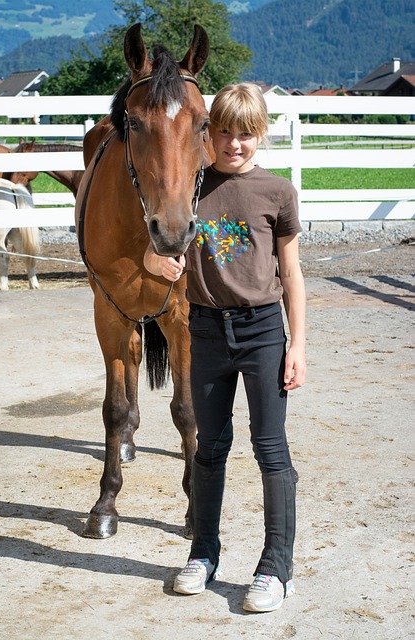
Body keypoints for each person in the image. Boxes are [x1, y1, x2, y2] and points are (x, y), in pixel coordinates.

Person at [144, 82, 306, 613]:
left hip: (263, 333)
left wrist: (297, 343)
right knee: (208, 446)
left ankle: (275, 567)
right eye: (224, 132)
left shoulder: (277, 192)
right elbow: (151, 254)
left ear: (260, 135)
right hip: (208, 332)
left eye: (246, 134)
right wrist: (159, 263)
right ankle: (203, 551)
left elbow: (292, 272)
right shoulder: (192, 188)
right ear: (207, 133)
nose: (234, 143)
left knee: (270, 447)